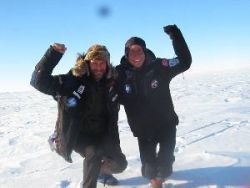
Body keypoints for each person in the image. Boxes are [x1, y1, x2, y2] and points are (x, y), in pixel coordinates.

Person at [30, 43, 127, 188]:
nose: (99, 68)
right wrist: (53, 54)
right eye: (94, 63)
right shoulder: (72, 81)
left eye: (102, 63)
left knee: (120, 164)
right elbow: (38, 81)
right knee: (94, 153)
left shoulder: (111, 83)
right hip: (77, 134)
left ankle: (100, 171)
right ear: (87, 63)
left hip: (103, 134)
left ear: (107, 64)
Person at [115, 25, 192, 188]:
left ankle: (163, 171)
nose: (136, 55)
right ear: (126, 54)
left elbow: (185, 62)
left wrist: (176, 36)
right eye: (132, 51)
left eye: (139, 50)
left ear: (145, 51)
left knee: (164, 167)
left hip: (166, 125)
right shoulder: (119, 74)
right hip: (143, 131)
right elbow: (98, 78)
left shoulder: (160, 66)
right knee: (149, 170)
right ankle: (155, 175)